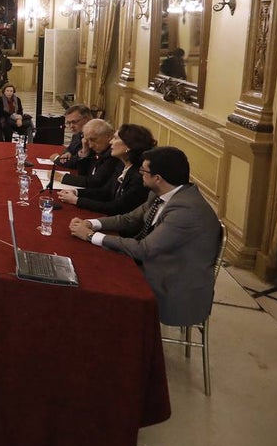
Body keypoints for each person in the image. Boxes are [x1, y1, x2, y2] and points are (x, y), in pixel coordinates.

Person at [69, 146, 223, 326]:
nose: (140, 174)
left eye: (143, 171)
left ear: (157, 178)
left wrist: (90, 236)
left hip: (174, 286)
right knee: (93, 264)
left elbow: (144, 249)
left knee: (96, 282)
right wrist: (92, 223)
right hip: (157, 265)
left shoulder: (186, 211)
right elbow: (128, 220)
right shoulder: (161, 194)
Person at [59, 124, 157, 216]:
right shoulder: (121, 165)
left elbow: (115, 207)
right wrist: (76, 192)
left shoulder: (139, 175)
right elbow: (105, 192)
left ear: (129, 145)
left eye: (115, 138)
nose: (111, 142)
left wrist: (76, 200)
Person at [56, 119, 121, 189]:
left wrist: (62, 177)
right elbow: (83, 173)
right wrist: (85, 151)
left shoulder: (113, 155)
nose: (90, 145)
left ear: (108, 136)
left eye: (93, 139)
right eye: (87, 141)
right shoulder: (97, 149)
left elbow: (95, 182)